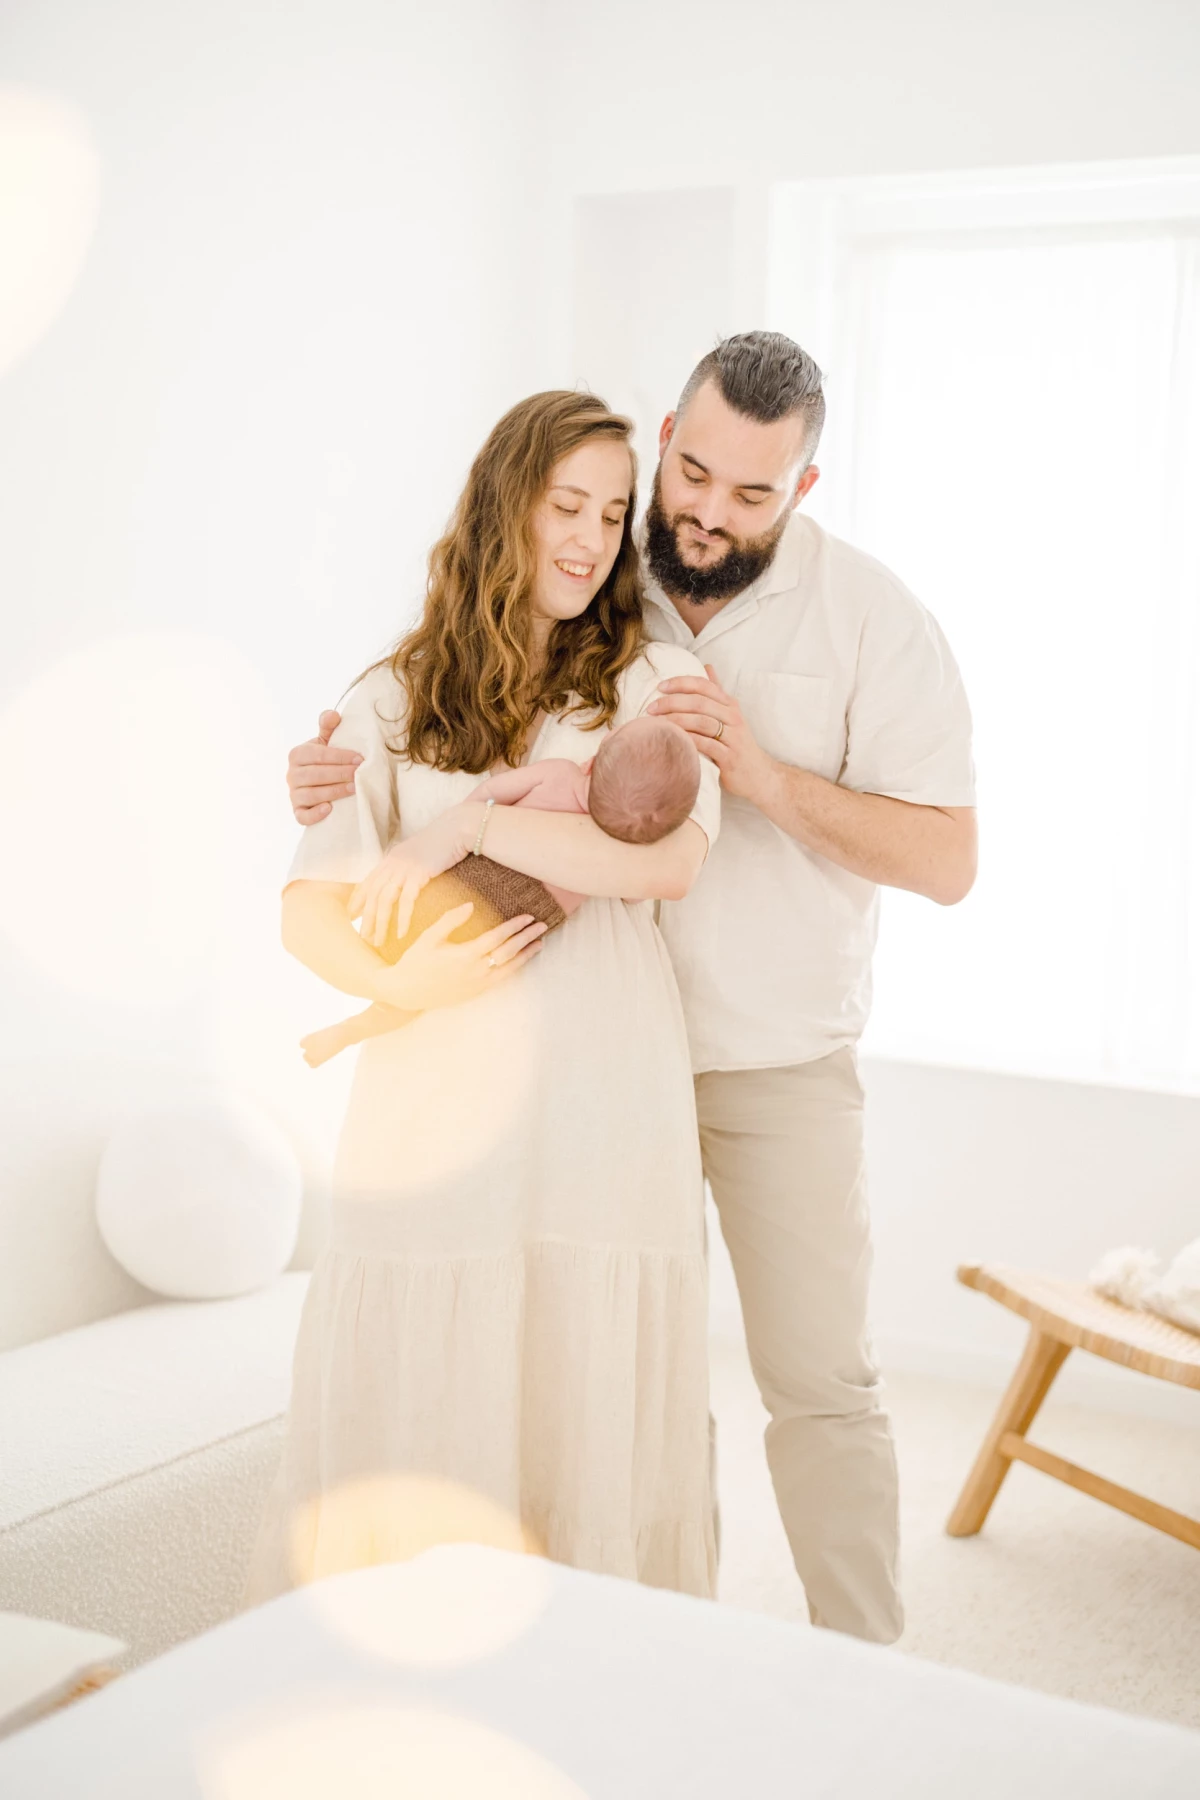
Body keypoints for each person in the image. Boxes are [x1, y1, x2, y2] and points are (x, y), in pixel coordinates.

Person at [286, 332, 978, 1645]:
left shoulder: (871, 621)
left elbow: (947, 860)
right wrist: (334, 785)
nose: (702, 515)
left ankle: (871, 1671)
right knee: (633, 1376)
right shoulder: (608, 584)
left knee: (820, 1384)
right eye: (689, 475)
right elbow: (418, 737)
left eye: (752, 495)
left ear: (807, 489)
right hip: (608, 1064)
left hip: (770, 1055)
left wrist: (765, 778)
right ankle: (654, 1647)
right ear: (665, 439)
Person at [244, 389, 722, 1606]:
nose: (589, 538)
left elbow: (662, 863)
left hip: (603, 1099)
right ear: (500, 502)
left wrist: (478, 819)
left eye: (614, 517)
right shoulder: (390, 698)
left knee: (580, 1391)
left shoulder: (653, 679)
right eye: (566, 504)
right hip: (434, 1110)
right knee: (425, 1403)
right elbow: (313, 908)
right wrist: (405, 977)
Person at [301, 714, 699, 1067]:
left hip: (473, 880)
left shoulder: (560, 774)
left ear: (592, 761)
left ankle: (363, 952)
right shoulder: (617, 855)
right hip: (513, 925)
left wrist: (448, 831)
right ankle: (356, 1026)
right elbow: (632, 893)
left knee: (398, 935)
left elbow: (485, 801)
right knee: (418, 995)